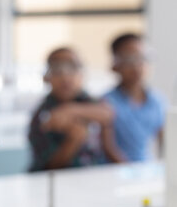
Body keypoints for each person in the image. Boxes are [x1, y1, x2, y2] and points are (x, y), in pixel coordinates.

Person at [28, 47, 122, 171]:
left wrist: (70, 110)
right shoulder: (42, 114)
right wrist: (74, 139)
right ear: (46, 77)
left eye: (72, 68)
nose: (65, 76)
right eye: (57, 69)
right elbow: (49, 167)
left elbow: (108, 113)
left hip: (94, 178)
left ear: (82, 74)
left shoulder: (90, 101)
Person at [103, 33, 166, 162]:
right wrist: (132, 172)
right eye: (129, 59)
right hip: (113, 173)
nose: (136, 66)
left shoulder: (157, 101)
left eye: (141, 58)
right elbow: (108, 148)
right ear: (115, 65)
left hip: (147, 170)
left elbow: (165, 143)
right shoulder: (105, 102)